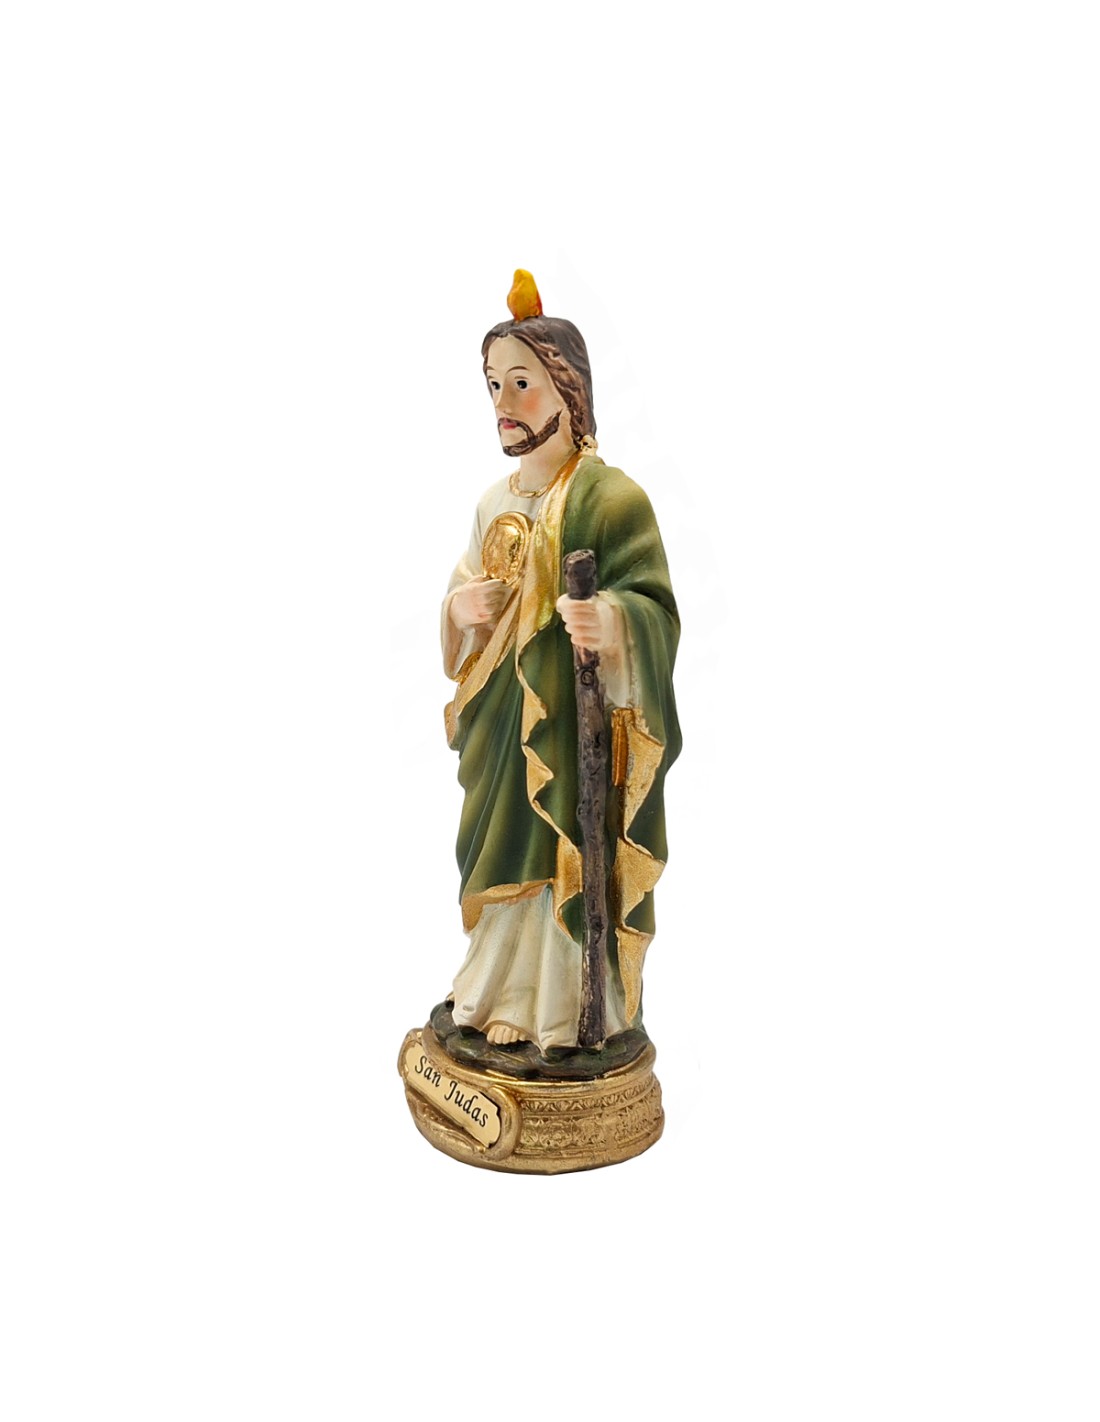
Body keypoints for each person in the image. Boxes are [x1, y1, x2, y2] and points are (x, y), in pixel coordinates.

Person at [441, 271, 680, 1057]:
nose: (503, 402)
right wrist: (460, 613)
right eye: (493, 385)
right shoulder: (493, 504)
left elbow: (655, 611)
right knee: (500, 844)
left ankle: (569, 1004)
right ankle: (497, 986)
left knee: (567, 846)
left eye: (521, 382)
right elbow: (465, 593)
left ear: (567, 391)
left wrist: (613, 622)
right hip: (501, 732)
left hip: (575, 732)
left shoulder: (612, 501)